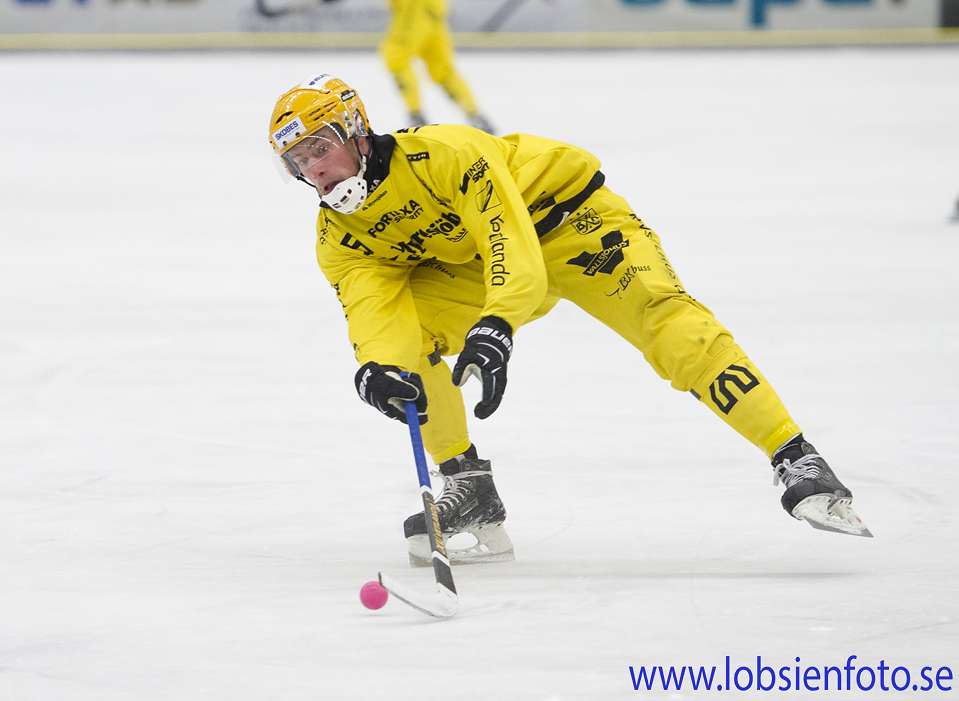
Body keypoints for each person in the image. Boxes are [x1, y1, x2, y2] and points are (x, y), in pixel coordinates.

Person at [268, 73, 872, 567]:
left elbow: (511, 239)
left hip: (574, 226)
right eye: (298, 161)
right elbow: (375, 304)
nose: (314, 170)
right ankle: (469, 486)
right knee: (404, 353)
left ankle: (796, 458)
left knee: (670, 326)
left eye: (321, 148)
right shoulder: (337, 236)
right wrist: (379, 366)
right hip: (480, 265)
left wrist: (496, 324)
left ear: (356, 131)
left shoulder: (449, 153)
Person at [379, 0, 495, 133]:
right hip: (432, 9)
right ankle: (475, 115)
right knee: (441, 69)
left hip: (414, 6)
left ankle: (416, 117)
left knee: (397, 55)